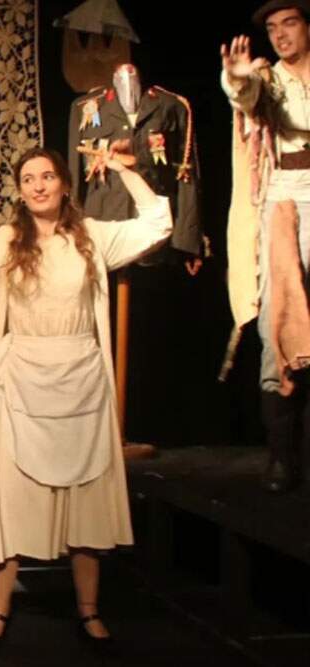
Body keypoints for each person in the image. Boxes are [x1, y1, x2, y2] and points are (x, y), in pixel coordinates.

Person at [0, 145, 171, 654]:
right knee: (12, 500)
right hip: (21, 383)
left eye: (48, 176)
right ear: (19, 190)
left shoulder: (93, 238)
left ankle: (89, 611)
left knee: (84, 502)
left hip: (81, 382)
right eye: (29, 179)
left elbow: (158, 224)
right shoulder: (4, 243)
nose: (38, 186)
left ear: (64, 184)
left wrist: (124, 171)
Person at [222, 0, 310, 492]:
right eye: (273, 28)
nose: (280, 34)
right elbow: (248, 96)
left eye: (289, 23)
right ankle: (280, 456)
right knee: (278, 317)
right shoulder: (266, 77)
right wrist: (237, 80)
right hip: (284, 194)